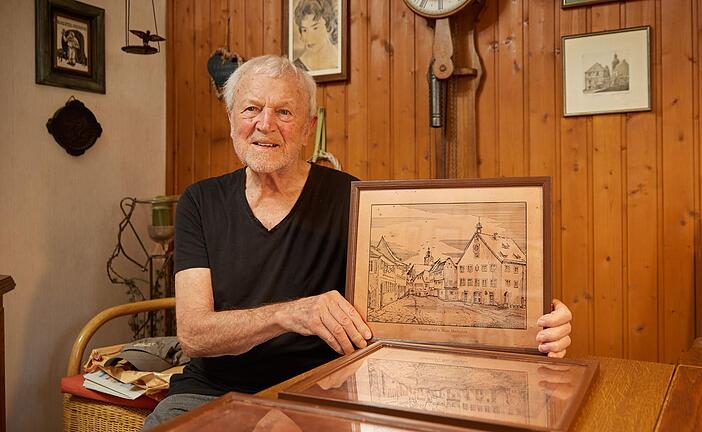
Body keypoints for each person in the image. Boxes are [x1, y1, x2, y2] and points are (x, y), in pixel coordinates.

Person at [142, 54, 572, 429]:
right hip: (209, 392)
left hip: (319, 393)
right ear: (233, 120)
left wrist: (534, 326)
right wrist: (292, 314)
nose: (264, 124)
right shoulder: (200, 201)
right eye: (251, 108)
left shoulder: (354, 200)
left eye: (284, 112)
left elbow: (422, 317)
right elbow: (196, 335)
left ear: (308, 127)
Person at [292, 0, 339, 72]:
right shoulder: (296, 67)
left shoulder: (339, 60)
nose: (309, 38)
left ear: (328, 26)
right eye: (304, 30)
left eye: (315, 28)